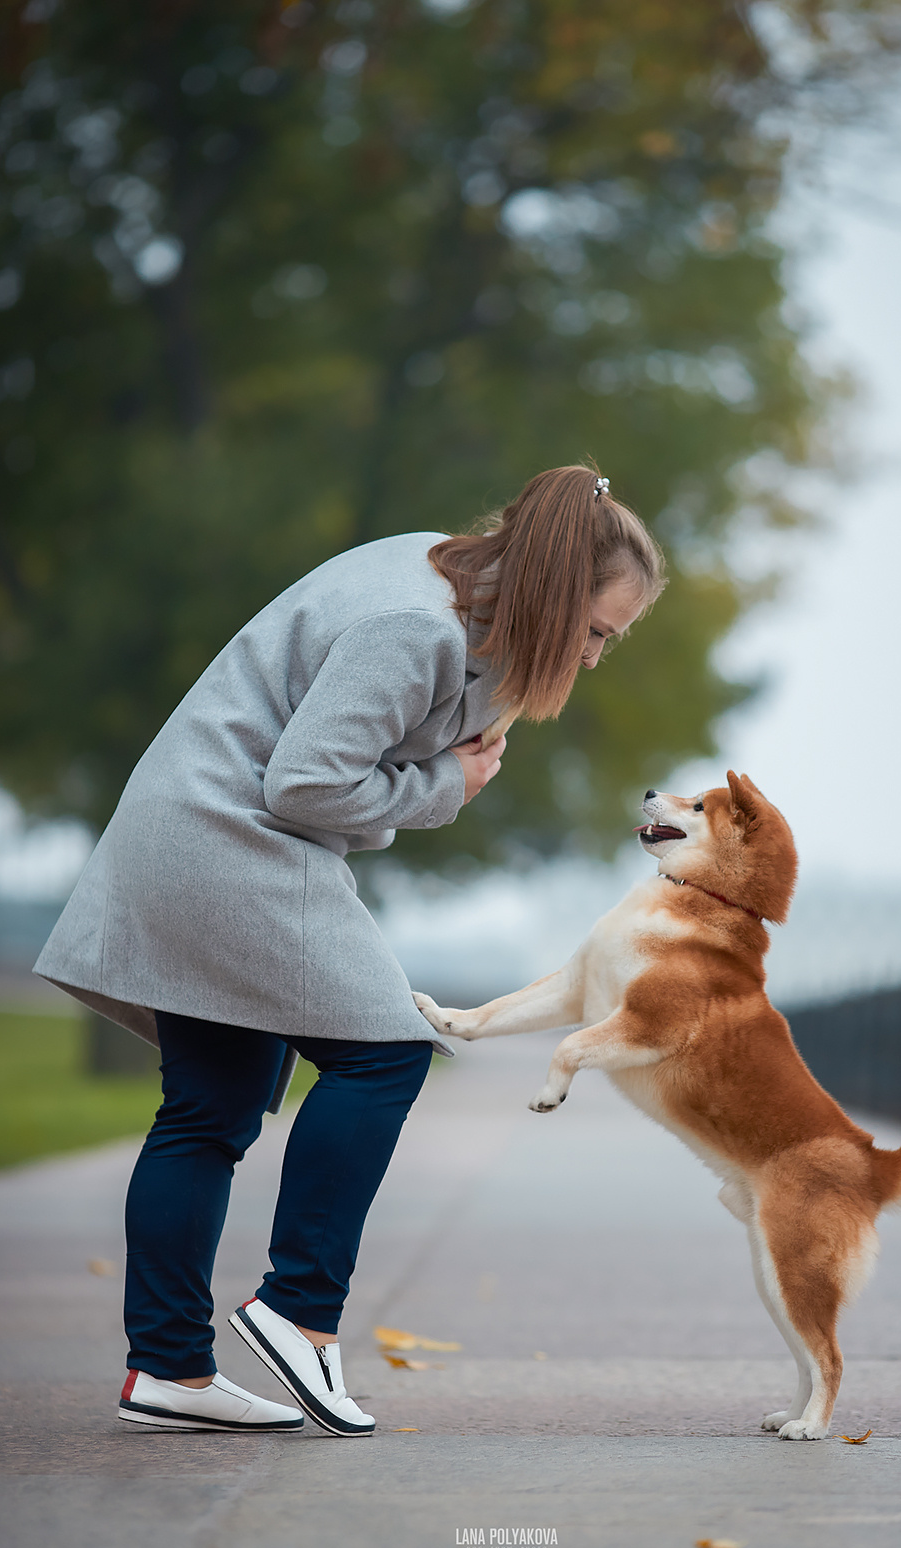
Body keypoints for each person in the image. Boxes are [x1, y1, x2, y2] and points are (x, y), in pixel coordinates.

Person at [34, 464, 665, 1435]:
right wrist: (444, 788)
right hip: (226, 842)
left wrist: (449, 754)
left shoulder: (437, 577)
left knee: (209, 1110)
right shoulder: (418, 628)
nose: (590, 658)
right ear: (552, 588)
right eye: (595, 632)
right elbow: (306, 785)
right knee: (387, 1052)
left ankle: (169, 1371)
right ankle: (299, 1313)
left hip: (190, 831)